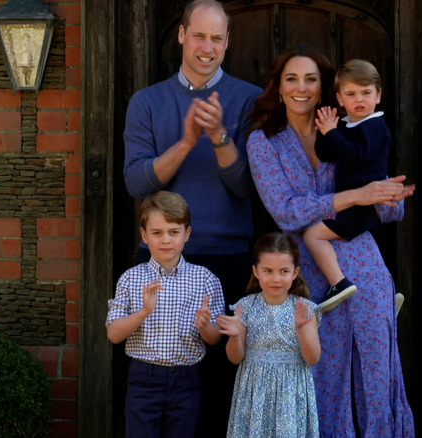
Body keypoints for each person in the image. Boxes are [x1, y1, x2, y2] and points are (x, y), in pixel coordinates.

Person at [246, 45, 416, 437]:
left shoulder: (350, 130)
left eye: (310, 80)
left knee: (376, 370)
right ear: (279, 86)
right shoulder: (264, 142)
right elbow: (286, 211)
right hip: (307, 271)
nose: (301, 88)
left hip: (363, 261)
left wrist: (388, 197)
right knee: (321, 373)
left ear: (325, 90)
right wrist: (355, 197)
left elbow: (384, 205)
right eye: (292, 79)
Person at [121, 0, 262, 434]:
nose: (207, 47)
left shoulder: (249, 99)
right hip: (163, 260)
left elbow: (246, 188)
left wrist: (219, 136)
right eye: (198, 35)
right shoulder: (147, 101)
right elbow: (136, 183)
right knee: (164, 386)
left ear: (227, 43)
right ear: (181, 35)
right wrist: (185, 142)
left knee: (224, 383)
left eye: (216, 38)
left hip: (230, 259)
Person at [106, 191, 225, 438]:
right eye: (157, 232)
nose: (166, 240)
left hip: (186, 379)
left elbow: (214, 339)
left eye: (174, 232)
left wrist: (205, 326)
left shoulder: (205, 279)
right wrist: (144, 311)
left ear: (187, 234)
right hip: (143, 379)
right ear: (144, 236)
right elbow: (114, 334)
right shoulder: (131, 278)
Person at [304, 59, 394, 312]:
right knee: (357, 252)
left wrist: (333, 133)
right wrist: (325, 130)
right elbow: (326, 154)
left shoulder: (375, 126)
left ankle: (338, 283)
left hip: (362, 206)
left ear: (378, 95)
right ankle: (380, 297)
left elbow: (356, 157)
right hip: (350, 202)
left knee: (312, 235)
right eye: (351, 94)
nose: (360, 99)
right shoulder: (348, 125)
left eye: (366, 93)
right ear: (340, 99)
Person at [217, 233, 321, 438]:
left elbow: (312, 358)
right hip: (254, 391)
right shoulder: (245, 307)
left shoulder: (305, 309)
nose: (276, 278)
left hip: (291, 391)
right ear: (256, 271)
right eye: (268, 271)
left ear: (295, 272)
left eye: (284, 271)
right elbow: (235, 357)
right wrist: (236, 336)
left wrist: (301, 328)